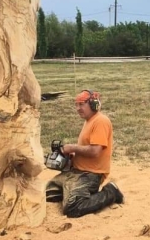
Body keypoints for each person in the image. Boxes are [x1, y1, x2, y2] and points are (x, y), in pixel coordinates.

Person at [46, 89, 124, 218]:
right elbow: (86, 148)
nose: (78, 108)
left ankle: (111, 192)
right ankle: (81, 194)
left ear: (93, 104)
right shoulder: (89, 121)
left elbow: (95, 151)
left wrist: (72, 147)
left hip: (91, 174)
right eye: (76, 104)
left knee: (72, 207)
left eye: (81, 104)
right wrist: (71, 157)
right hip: (76, 171)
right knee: (50, 194)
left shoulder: (100, 121)